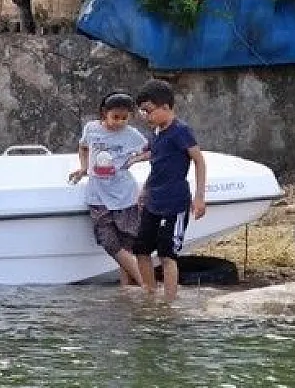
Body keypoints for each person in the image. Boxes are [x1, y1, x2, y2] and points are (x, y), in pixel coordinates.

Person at [131, 79, 205, 301]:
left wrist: (200, 198)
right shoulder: (157, 132)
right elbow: (157, 160)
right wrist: (144, 189)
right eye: (143, 112)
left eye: (149, 111)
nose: (146, 116)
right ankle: (150, 294)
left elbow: (199, 161)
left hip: (174, 202)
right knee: (141, 249)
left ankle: (169, 302)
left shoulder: (181, 131)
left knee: (167, 254)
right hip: (154, 200)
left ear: (165, 107)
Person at [69, 91, 150, 286]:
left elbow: (151, 150)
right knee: (109, 242)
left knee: (126, 243)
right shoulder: (92, 129)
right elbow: (83, 147)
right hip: (98, 196)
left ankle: (127, 289)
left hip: (124, 194)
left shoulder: (132, 134)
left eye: (125, 118)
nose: (120, 122)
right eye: (115, 117)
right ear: (104, 113)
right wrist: (84, 167)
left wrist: (133, 159)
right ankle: (147, 284)